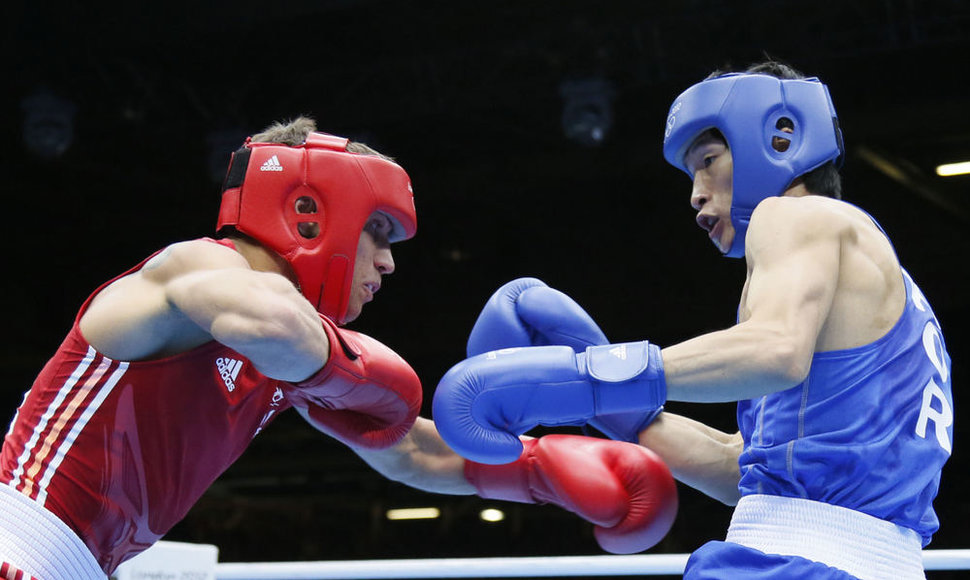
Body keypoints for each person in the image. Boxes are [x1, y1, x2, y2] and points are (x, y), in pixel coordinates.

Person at [0, 117, 678, 579]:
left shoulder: (290, 362)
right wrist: (358, 367)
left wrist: (537, 470)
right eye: (378, 233)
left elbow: (409, 451)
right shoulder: (191, 271)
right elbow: (272, 327)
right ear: (309, 212)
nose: (387, 263)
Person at [432, 60, 953, 579]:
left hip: (791, 565)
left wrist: (591, 374)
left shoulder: (796, 214)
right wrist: (619, 408)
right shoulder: (892, 295)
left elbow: (775, 350)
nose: (695, 193)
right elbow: (742, 468)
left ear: (779, 138)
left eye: (708, 159)